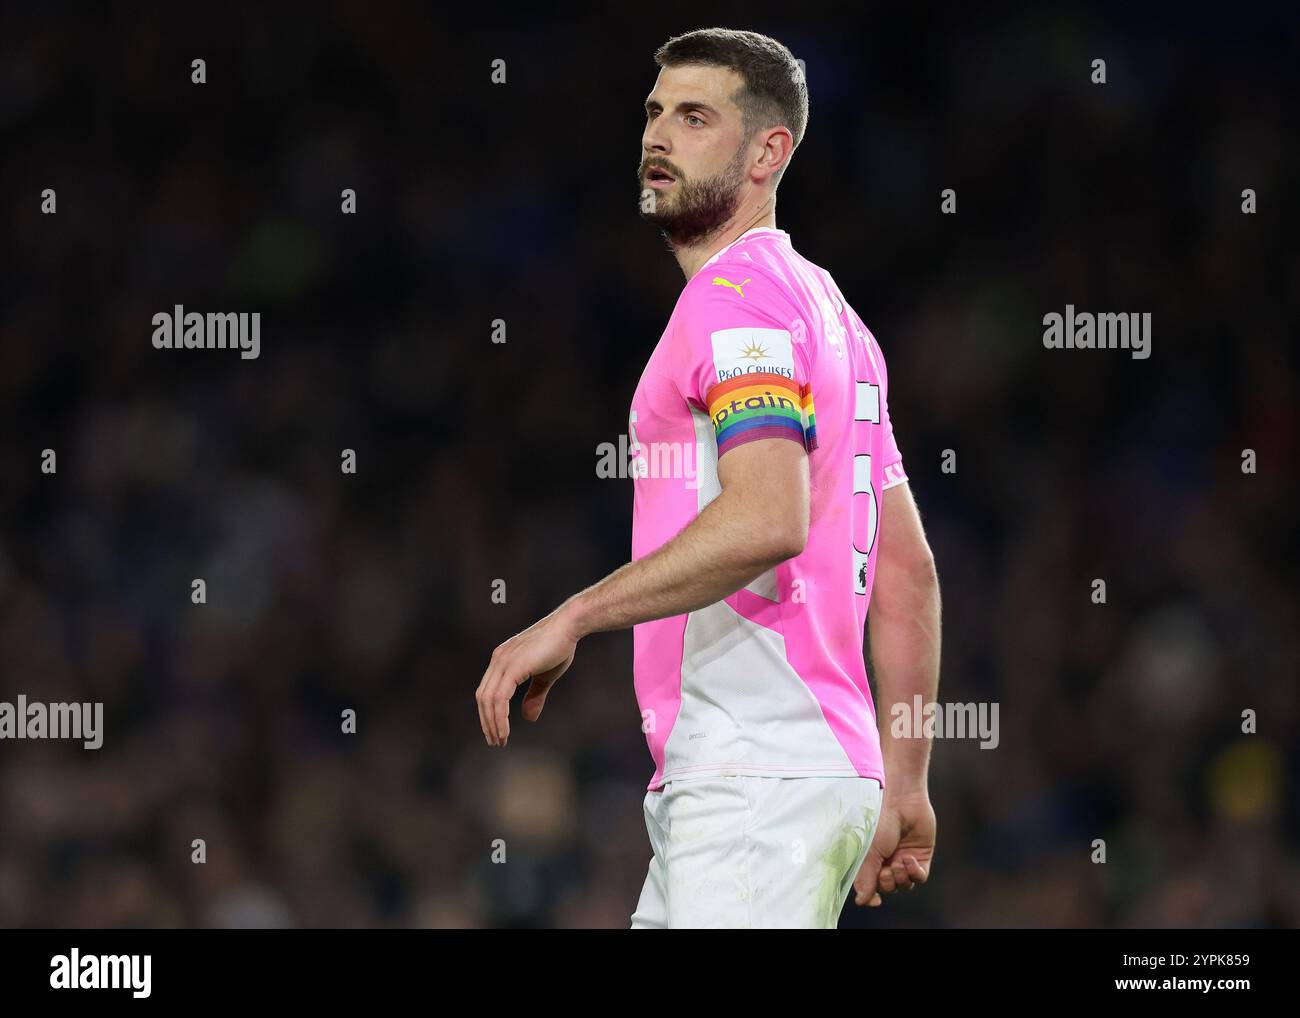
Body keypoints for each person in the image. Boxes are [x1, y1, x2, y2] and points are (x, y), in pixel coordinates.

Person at [476, 27, 941, 928]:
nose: (658, 137)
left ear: (770, 152)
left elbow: (770, 516)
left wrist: (572, 616)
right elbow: (907, 571)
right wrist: (908, 776)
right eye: (654, 114)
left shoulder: (736, 299)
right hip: (787, 778)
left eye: (695, 118)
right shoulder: (839, 321)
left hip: (755, 776)